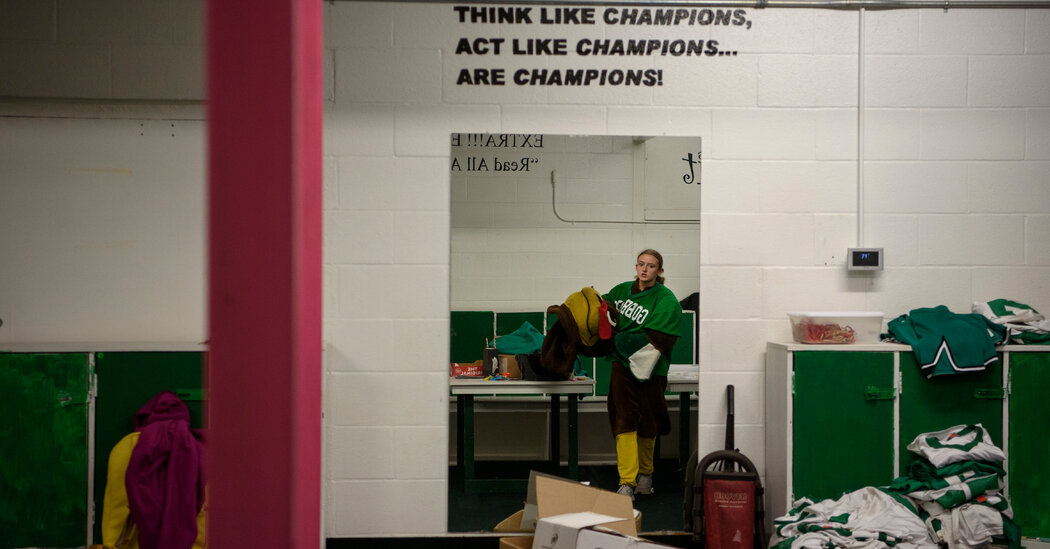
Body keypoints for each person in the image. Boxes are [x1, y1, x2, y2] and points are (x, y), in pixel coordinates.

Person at [602, 249, 683, 499]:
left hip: (652, 369)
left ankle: (646, 475)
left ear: (659, 271)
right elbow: (601, 310)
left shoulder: (665, 298)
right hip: (621, 367)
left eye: (651, 265)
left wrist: (618, 339)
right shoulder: (620, 291)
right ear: (636, 267)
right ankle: (626, 480)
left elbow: (657, 338)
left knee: (648, 421)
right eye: (641, 264)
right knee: (624, 421)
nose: (644, 269)